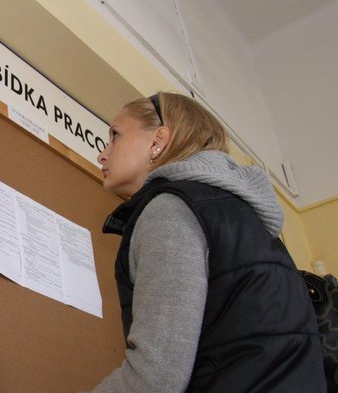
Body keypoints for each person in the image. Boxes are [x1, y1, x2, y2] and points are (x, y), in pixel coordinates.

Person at [88, 92, 325, 392]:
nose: (102, 154)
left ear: (158, 140)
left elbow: (155, 379)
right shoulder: (246, 221)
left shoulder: (171, 209)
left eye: (115, 135)